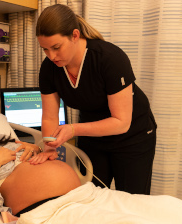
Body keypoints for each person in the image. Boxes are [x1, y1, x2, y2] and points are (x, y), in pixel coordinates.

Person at [32, 4, 157, 195]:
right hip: (94, 137)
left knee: (132, 201)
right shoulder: (49, 69)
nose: (51, 56)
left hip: (132, 136)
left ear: (75, 35)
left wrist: (73, 130)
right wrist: (49, 148)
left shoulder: (109, 58)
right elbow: (50, 117)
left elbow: (121, 122)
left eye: (56, 47)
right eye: (45, 50)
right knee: (92, 196)